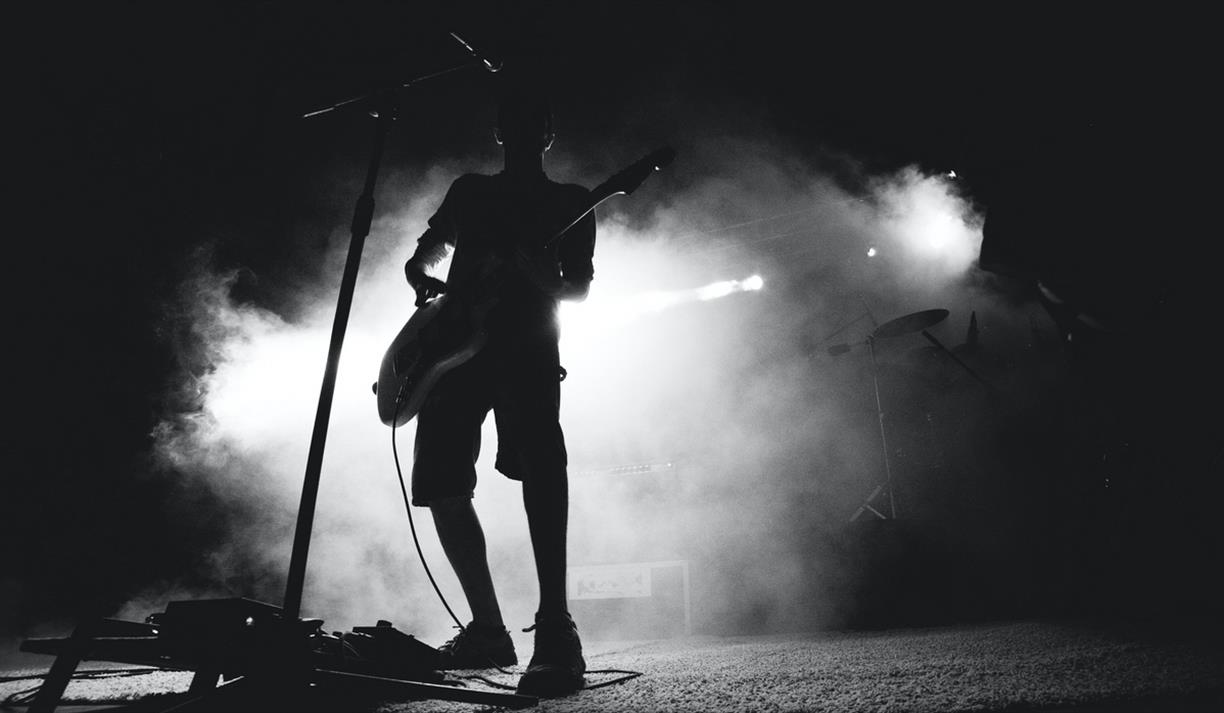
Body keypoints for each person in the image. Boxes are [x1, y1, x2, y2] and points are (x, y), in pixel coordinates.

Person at [402, 87, 594, 698]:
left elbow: (580, 287)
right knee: (440, 483)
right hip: (455, 352)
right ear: (499, 133)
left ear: (548, 135)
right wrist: (421, 272)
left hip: (527, 348)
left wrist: (548, 283)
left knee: (543, 471)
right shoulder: (470, 191)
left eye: (534, 122)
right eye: (513, 121)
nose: (523, 131)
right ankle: (488, 628)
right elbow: (432, 247)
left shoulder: (573, 202)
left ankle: (555, 626)